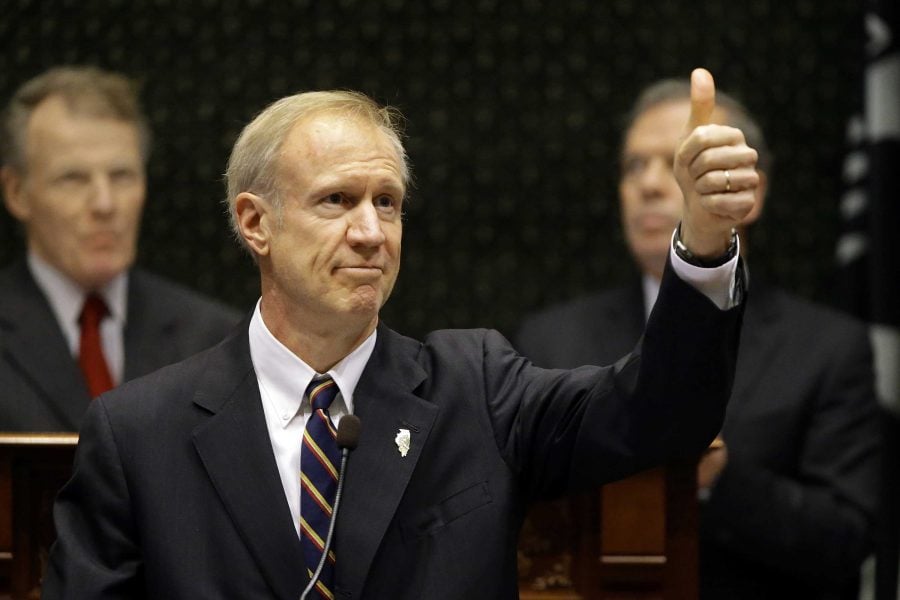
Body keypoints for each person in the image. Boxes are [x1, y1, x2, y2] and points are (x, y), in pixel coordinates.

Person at [44, 68, 756, 599]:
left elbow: (659, 416)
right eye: (337, 201)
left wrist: (700, 243)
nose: (371, 233)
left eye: (388, 203)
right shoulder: (140, 433)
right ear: (256, 223)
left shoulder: (476, 387)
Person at [516, 78, 881, 599]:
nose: (649, 184)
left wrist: (716, 478)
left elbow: (847, 539)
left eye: (676, 164)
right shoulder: (552, 338)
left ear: (746, 190)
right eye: (634, 166)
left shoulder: (827, 348)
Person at [0, 66, 241, 431]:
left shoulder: (215, 340)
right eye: (73, 178)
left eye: (121, 176)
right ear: (17, 192)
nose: (105, 204)